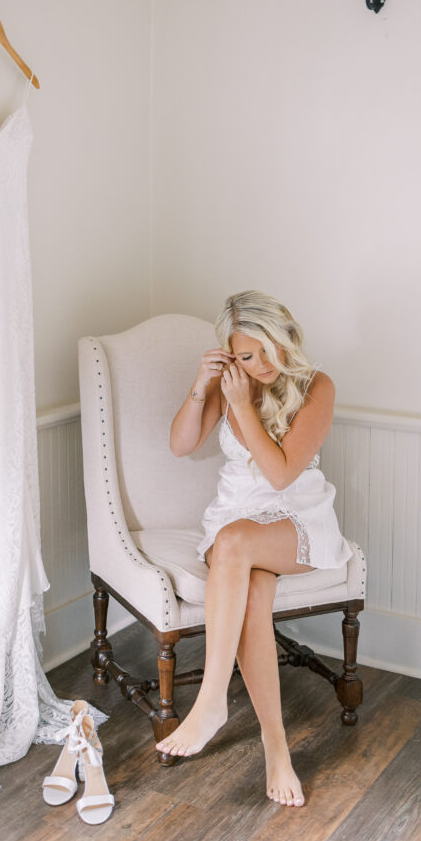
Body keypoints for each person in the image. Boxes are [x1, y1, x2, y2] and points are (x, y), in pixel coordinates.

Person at [155, 290, 352, 807]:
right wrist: (204, 386)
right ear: (230, 354)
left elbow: (283, 475)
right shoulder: (230, 381)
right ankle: (276, 746)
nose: (259, 365)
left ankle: (212, 700)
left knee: (235, 542)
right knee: (251, 602)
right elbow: (181, 445)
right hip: (235, 520)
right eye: (244, 356)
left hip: (297, 518)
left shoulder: (316, 386)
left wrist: (242, 408)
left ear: (285, 337)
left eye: (266, 350)